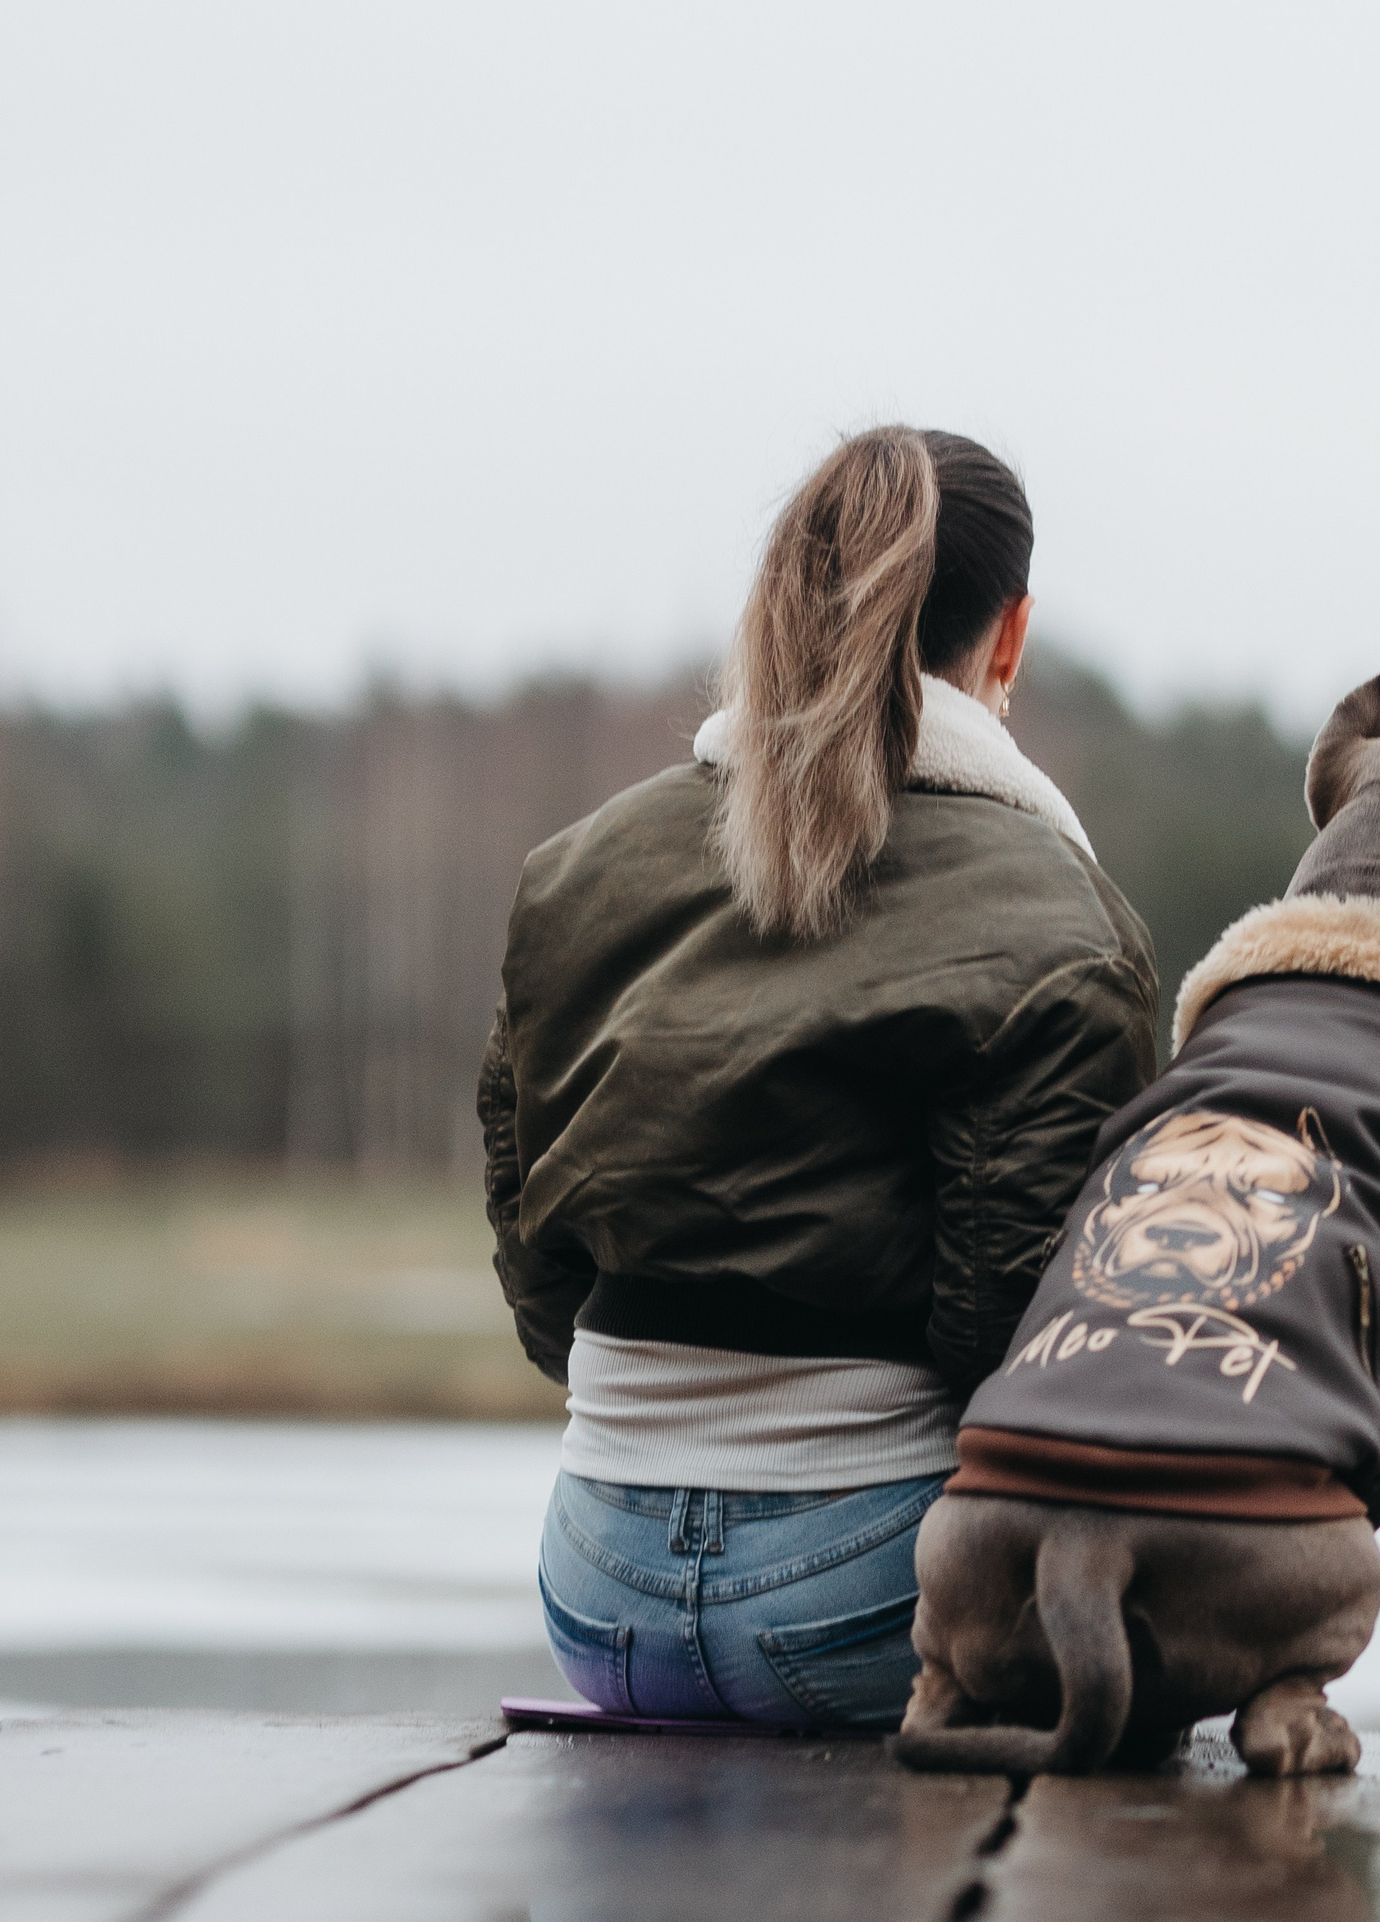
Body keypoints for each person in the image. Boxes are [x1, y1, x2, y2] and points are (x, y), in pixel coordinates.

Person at [478, 427, 1158, 1727]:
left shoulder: (575, 871)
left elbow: (544, 1288)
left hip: (593, 1591)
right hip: (871, 1611)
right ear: (1006, 638)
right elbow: (1028, 1358)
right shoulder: (1063, 920)